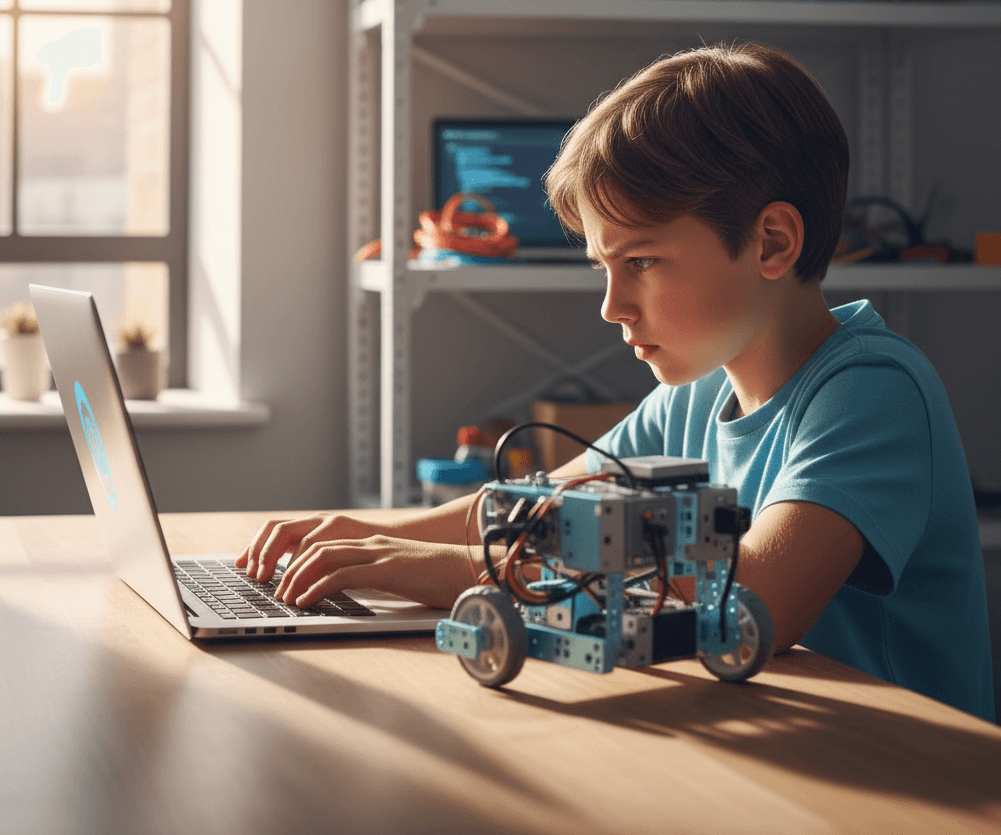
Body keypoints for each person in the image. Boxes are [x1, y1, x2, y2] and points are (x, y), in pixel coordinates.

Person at [237, 42, 994, 722]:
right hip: (774, 742)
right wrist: (364, 538)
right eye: (605, 267)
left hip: (906, 774)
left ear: (771, 242)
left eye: (641, 262)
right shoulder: (698, 391)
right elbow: (531, 510)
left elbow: (755, 600)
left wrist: (456, 573)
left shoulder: (871, 392)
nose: (612, 306)